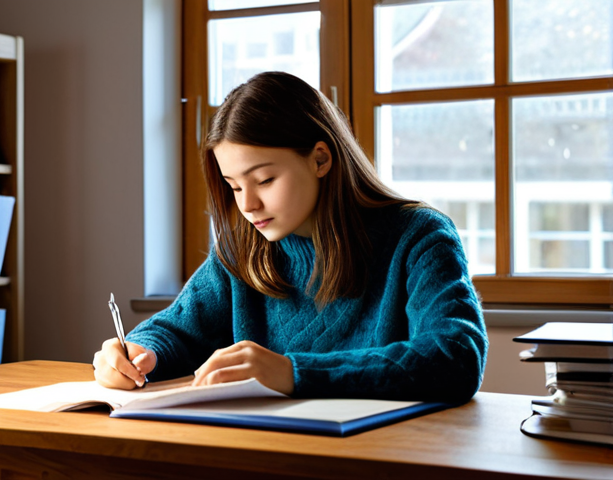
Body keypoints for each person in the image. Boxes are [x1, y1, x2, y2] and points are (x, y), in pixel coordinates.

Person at [93, 71, 488, 403]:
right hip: (267, 454)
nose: (248, 205)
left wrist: (292, 372)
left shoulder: (419, 236)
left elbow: (454, 356)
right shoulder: (241, 250)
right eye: (233, 186)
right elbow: (174, 330)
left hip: (382, 457)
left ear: (320, 159)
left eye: (264, 180)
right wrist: (137, 353)